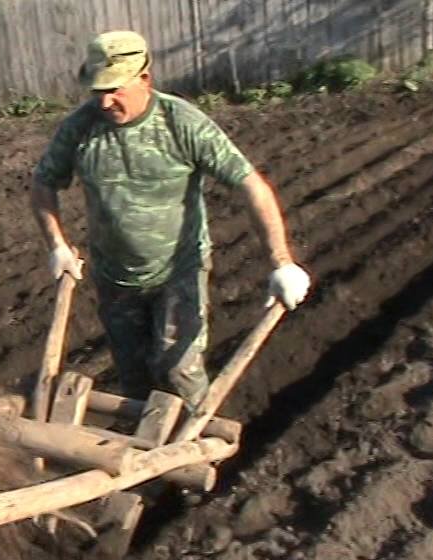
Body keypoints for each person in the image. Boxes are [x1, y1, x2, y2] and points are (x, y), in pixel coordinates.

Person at [30, 30, 311, 411]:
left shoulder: (181, 123)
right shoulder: (80, 128)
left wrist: (282, 263)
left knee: (178, 370)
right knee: (134, 378)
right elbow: (44, 182)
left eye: (115, 89)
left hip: (178, 271)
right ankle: (142, 454)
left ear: (145, 79)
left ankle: (192, 449)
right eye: (97, 90)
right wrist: (57, 246)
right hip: (115, 278)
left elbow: (253, 187)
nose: (105, 100)